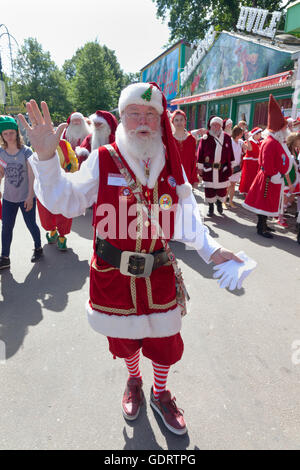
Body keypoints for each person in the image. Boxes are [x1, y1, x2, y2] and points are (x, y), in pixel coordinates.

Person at [21, 83, 252, 436]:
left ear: (160, 120)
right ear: (122, 118)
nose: (142, 121)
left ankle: (160, 394)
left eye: (150, 114)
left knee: (164, 343)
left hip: (158, 271)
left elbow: (188, 215)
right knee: (124, 341)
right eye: (134, 113)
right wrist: (48, 160)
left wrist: (212, 251)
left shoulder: (171, 161)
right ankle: (134, 381)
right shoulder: (102, 158)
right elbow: (63, 201)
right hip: (113, 274)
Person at [243, 95, 292, 238]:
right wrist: (275, 175)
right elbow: (267, 163)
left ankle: (265, 225)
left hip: (273, 178)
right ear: (278, 129)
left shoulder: (276, 140)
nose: (286, 130)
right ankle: (261, 227)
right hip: (269, 178)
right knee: (263, 203)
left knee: (268, 203)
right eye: (284, 127)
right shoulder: (270, 142)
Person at [0, 116, 43, 269]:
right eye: (5, 134)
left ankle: (38, 248)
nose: (9, 136)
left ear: (17, 133)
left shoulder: (26, 152)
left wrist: (30, 196)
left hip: (26, 196)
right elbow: (1, 172)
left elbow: (32, 176)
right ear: (2, 136)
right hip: (8, 198)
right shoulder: (1, 152)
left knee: (31, 224)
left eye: (11, 133)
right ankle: (5, 257)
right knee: (6, 227)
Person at [36, 139, 78, 251]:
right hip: (47, 185)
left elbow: (72, 162)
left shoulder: (63, 144)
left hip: (59, 184)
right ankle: (58, 236)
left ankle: (59, 236)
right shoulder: (37, 143)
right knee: (48, 211)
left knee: (61, 210)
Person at [197, 116, 234, 216]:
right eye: (213, 125)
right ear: (210, 125)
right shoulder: (205, 138)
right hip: (209, 169)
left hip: (222, 169)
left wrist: (232, 165)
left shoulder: (226, 137)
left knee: (222, 190)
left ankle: (219, 203)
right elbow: (200, 153)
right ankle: (210, 207)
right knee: (209, 190)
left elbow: (231, 152)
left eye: (217, 125)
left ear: (221, 126)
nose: (215, 127)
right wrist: (200, 168)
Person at [171, 109, 198, 187]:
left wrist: (194, 179)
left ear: (185, 122)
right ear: (173, 122)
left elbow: (193, 160)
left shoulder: (191, 139)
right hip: (172, 177)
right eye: (176, 120)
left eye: (181, 120)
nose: (179, 122)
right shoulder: (169, 139)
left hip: (187, 177)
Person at [226, 126, 247, 208]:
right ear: (237, 133)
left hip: (237, 167)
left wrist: (248, 139)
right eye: (241, 134)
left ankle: (231, 201)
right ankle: (224, 202)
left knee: (233, 185)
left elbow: (249, 148)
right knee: (227, 185)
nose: (242, 135)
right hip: (230, 166)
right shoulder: (230, 141)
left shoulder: (241, 142)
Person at [239, 127, 262, 195]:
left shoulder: (258, 142)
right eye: (259, 134)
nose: (260, 135)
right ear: (255, 135)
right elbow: (249, 149)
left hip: (255, 163)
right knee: (249, 178)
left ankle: (252, 192)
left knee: (254, 178)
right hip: (250, 163)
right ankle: (247, 192)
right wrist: (247, 139)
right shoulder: (250, 141)